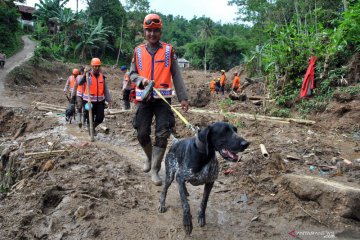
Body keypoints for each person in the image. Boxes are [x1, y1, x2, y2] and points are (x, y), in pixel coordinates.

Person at [129, 13, 189, 186]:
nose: (152, 34)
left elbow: (176, 75)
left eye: (155, 31)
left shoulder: (169, 51)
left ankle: (155, 169)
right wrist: (142, 80)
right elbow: (132, 74)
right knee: (141, 133)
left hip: (163, 100)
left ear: (160, 31)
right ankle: (149, 157)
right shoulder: (138, 51)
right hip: (144, 99)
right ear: (144, 32)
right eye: (149, 31)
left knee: (162, 134)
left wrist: (183, 97)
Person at [72, 58, 112, 134]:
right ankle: (90, 130)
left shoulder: (102, 77)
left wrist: (109, 99)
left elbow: (105, 89)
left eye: (98, 66)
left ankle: (92, 127)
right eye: (95, 66)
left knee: (100, 118)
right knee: (89, 117)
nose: (97, 68)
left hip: (100, 101)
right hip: (88, 101)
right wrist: (85, 75)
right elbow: (80, 83)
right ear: (92, 66)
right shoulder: (88, 75)